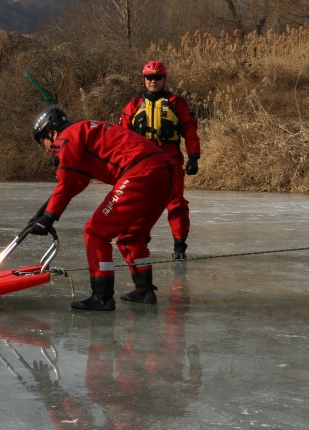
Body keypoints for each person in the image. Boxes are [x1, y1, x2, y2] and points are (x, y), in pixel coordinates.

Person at [27, 108, 175, 310]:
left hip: (140, 172)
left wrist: (49, 218)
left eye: (42, 141)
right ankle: (144, 290)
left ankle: (102, 298)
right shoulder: (83, 131)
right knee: (132, 235)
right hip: (165, 173)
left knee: (95, 231)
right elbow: (78, 181)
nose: (45, 149)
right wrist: (42, 212)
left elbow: (67, 182)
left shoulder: (65, 139)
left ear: (52, 132)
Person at [120, 61, 202, 259]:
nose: (153, 81)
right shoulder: (134, 104)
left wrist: (193, 157)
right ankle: (141, 243)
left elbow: (190, 132)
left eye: (157, 77)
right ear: (144, 80)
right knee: (141, 204)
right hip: (142, 163)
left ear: (164, 79)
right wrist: (121, 163)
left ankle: (179, 247)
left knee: (176, 204)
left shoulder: (177, 103)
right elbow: (121, 137)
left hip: (170, 162)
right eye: (150, 77)